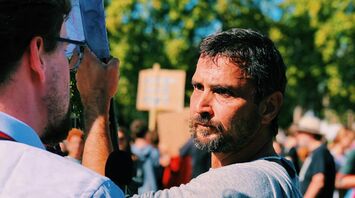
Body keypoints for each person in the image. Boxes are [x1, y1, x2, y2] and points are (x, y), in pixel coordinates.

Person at [89, 28, 302, 197]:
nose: (201, 106)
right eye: (198, 87)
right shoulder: (274, 174)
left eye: (223, 92)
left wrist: (96, 99)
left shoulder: (248, 182)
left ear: (269, 107)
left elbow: (96, 196)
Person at [0, 0, 123, 197]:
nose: (71, 69)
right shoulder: (84, 190)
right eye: (66, 48)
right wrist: (97, 102)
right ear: (38, 54)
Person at [296, 115, 336, 198]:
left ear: (310, 134)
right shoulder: (315, 153)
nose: (297, 136)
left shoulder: (320, 152)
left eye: (300, 132)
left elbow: (318, 182)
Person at [130, 119, 160, 194]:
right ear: (146, 133)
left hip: (134, 193)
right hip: (151, 192)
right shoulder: (154, 152)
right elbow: (158, 173)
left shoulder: (129, 152)